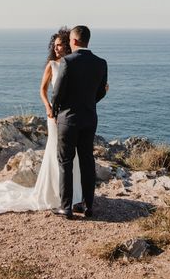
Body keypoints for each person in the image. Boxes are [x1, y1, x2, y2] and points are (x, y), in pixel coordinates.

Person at [0, 28, 82, 214]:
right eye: (55, 45)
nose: (57, 48)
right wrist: (48, 108)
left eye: (61, 45)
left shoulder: (73, 64)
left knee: (70, 155)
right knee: (53, 151)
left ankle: (72, 196)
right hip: (54, 114)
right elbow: (42, 90)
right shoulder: (52, 65)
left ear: (68, 45)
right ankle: (53, 194)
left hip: (70, 114)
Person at [51, 25, 108, 219]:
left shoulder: (67, 61)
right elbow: (101, 92)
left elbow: (57, 93)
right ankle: (88, 206)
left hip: (68, 119)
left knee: (65, 162)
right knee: (87, 161)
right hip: (90, 118)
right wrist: (89, 104)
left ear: (73, 41)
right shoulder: (101, 63)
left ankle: (66, 207)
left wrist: (57, 111)